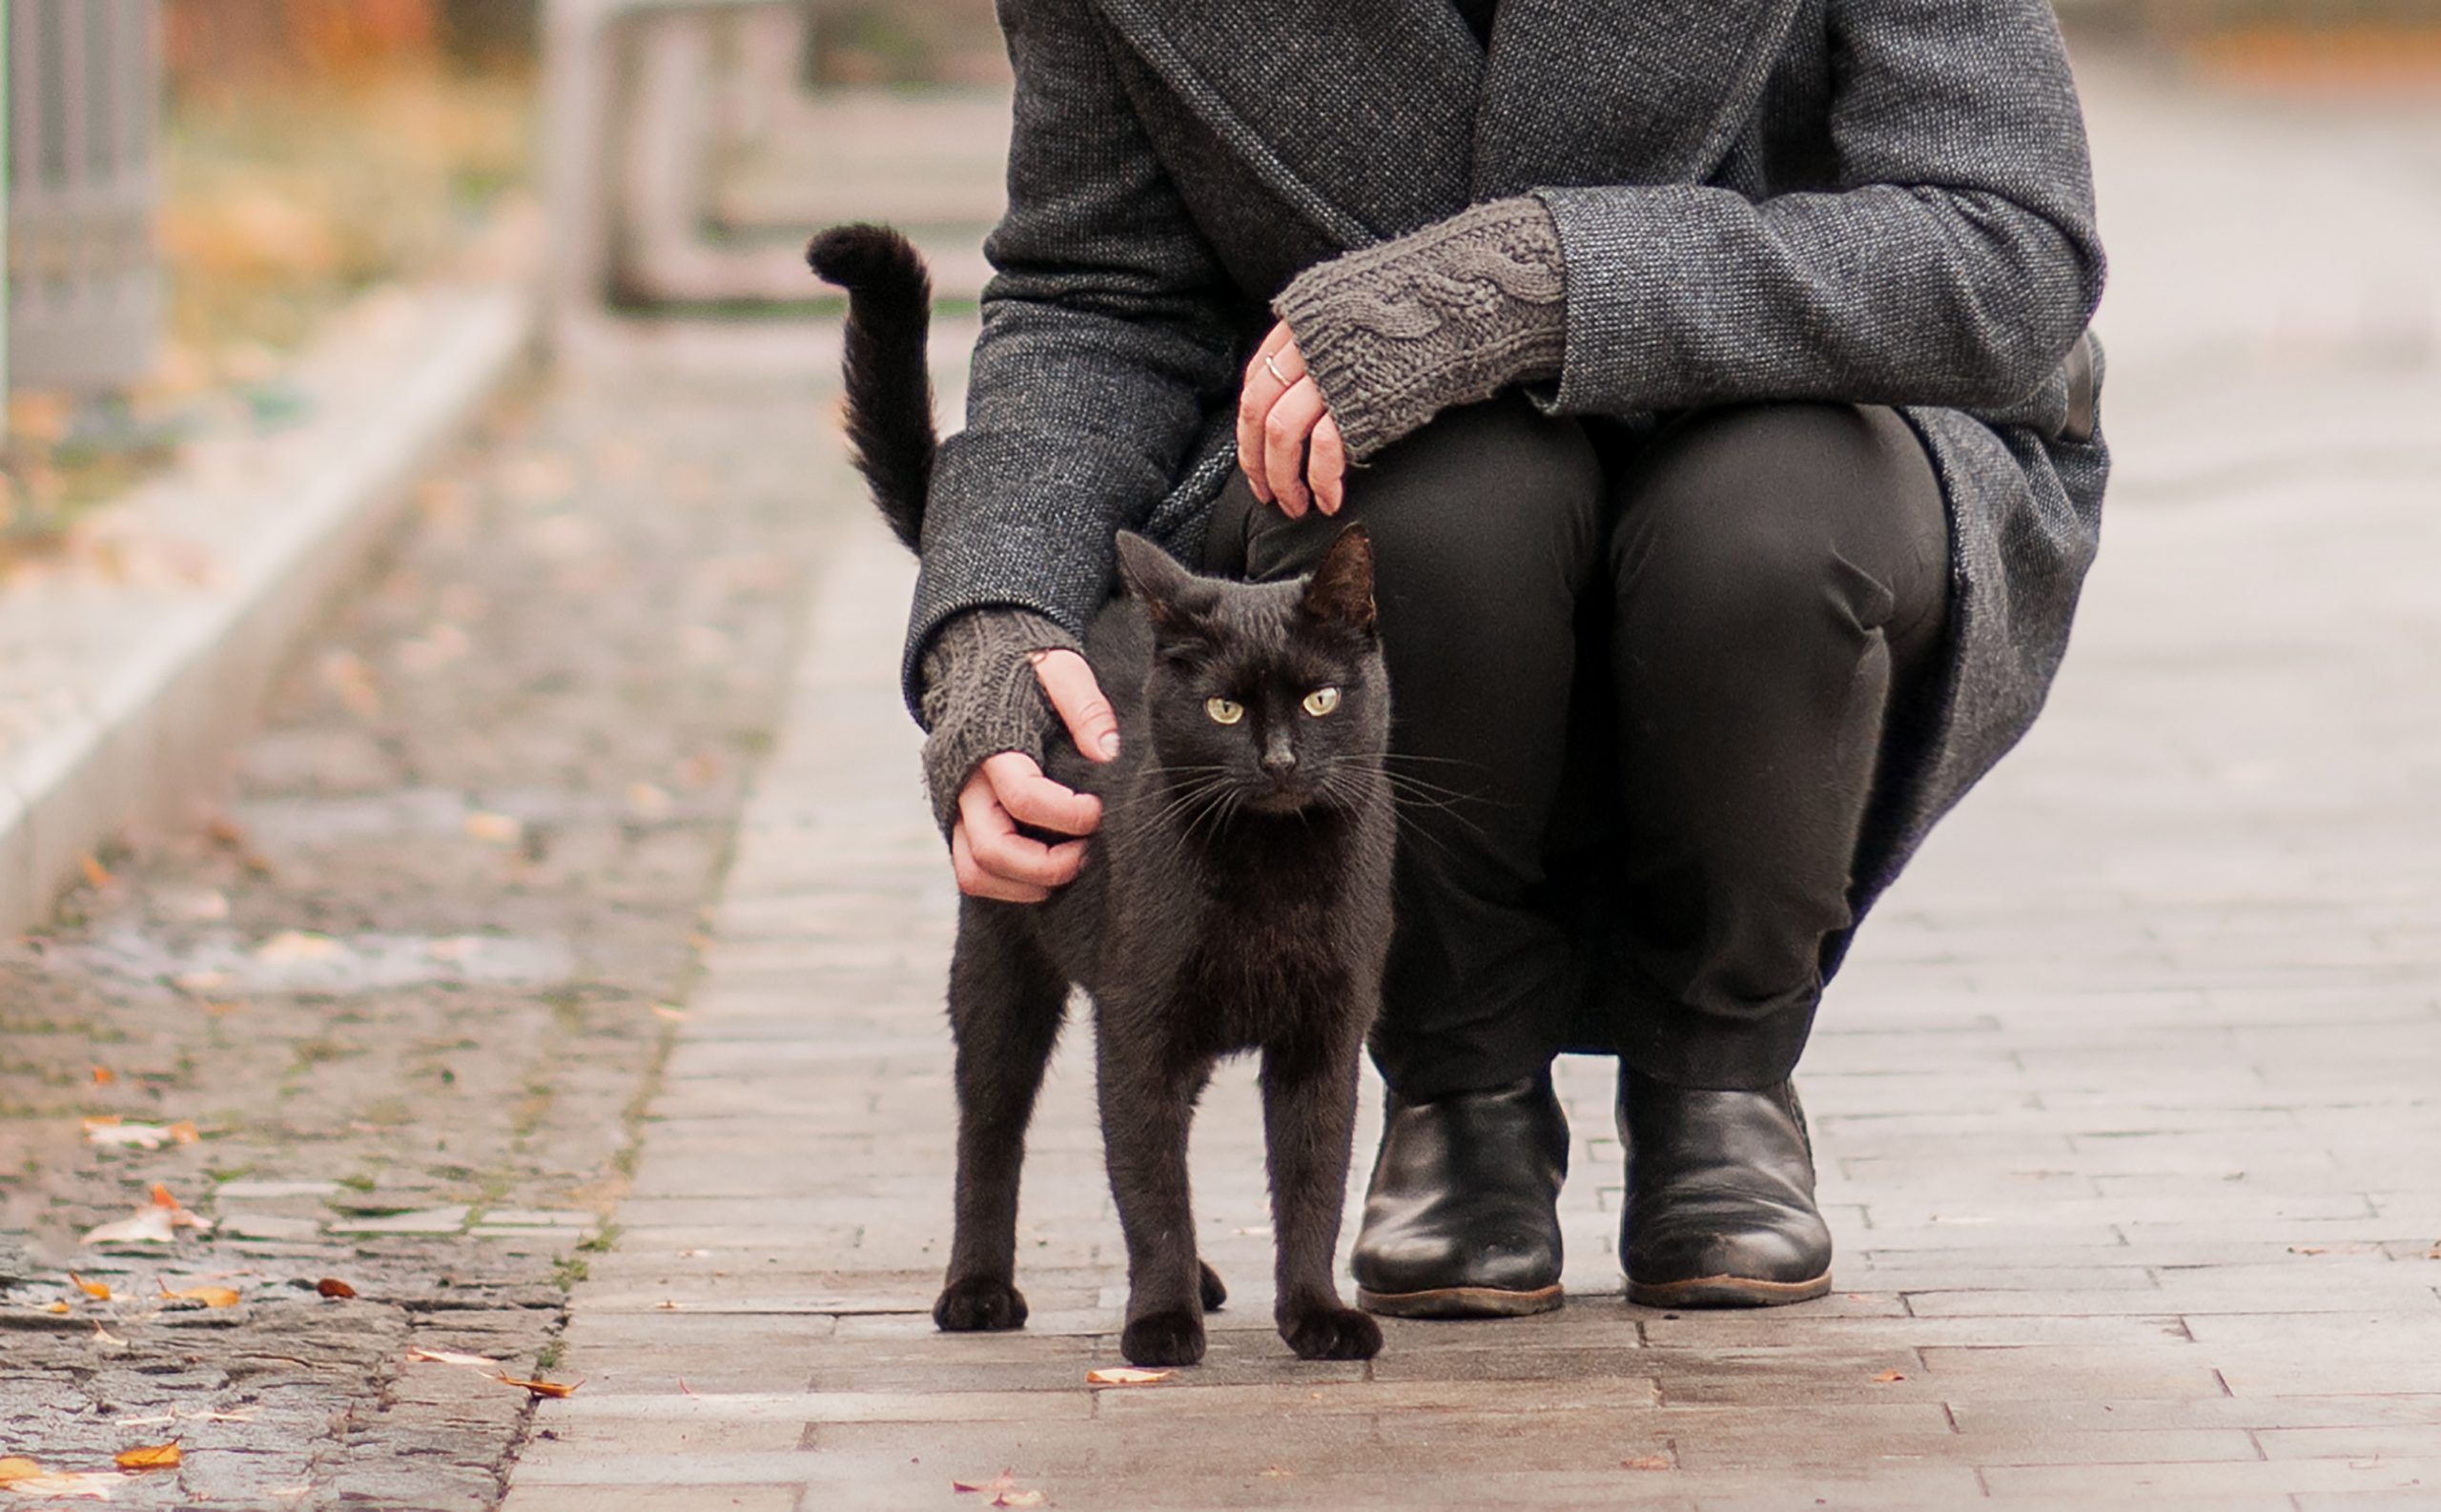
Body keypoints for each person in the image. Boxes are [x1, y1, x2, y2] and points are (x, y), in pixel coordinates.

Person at [903, 0, 2107, 1318]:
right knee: (1433, 524)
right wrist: (994, 608)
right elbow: (1096, 295)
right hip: (1383, 498)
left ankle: (1722, 1071)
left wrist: (1534, 280)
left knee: (1757, 537)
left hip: (1818, 449)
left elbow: (2010, 246)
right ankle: (1460, 1087)